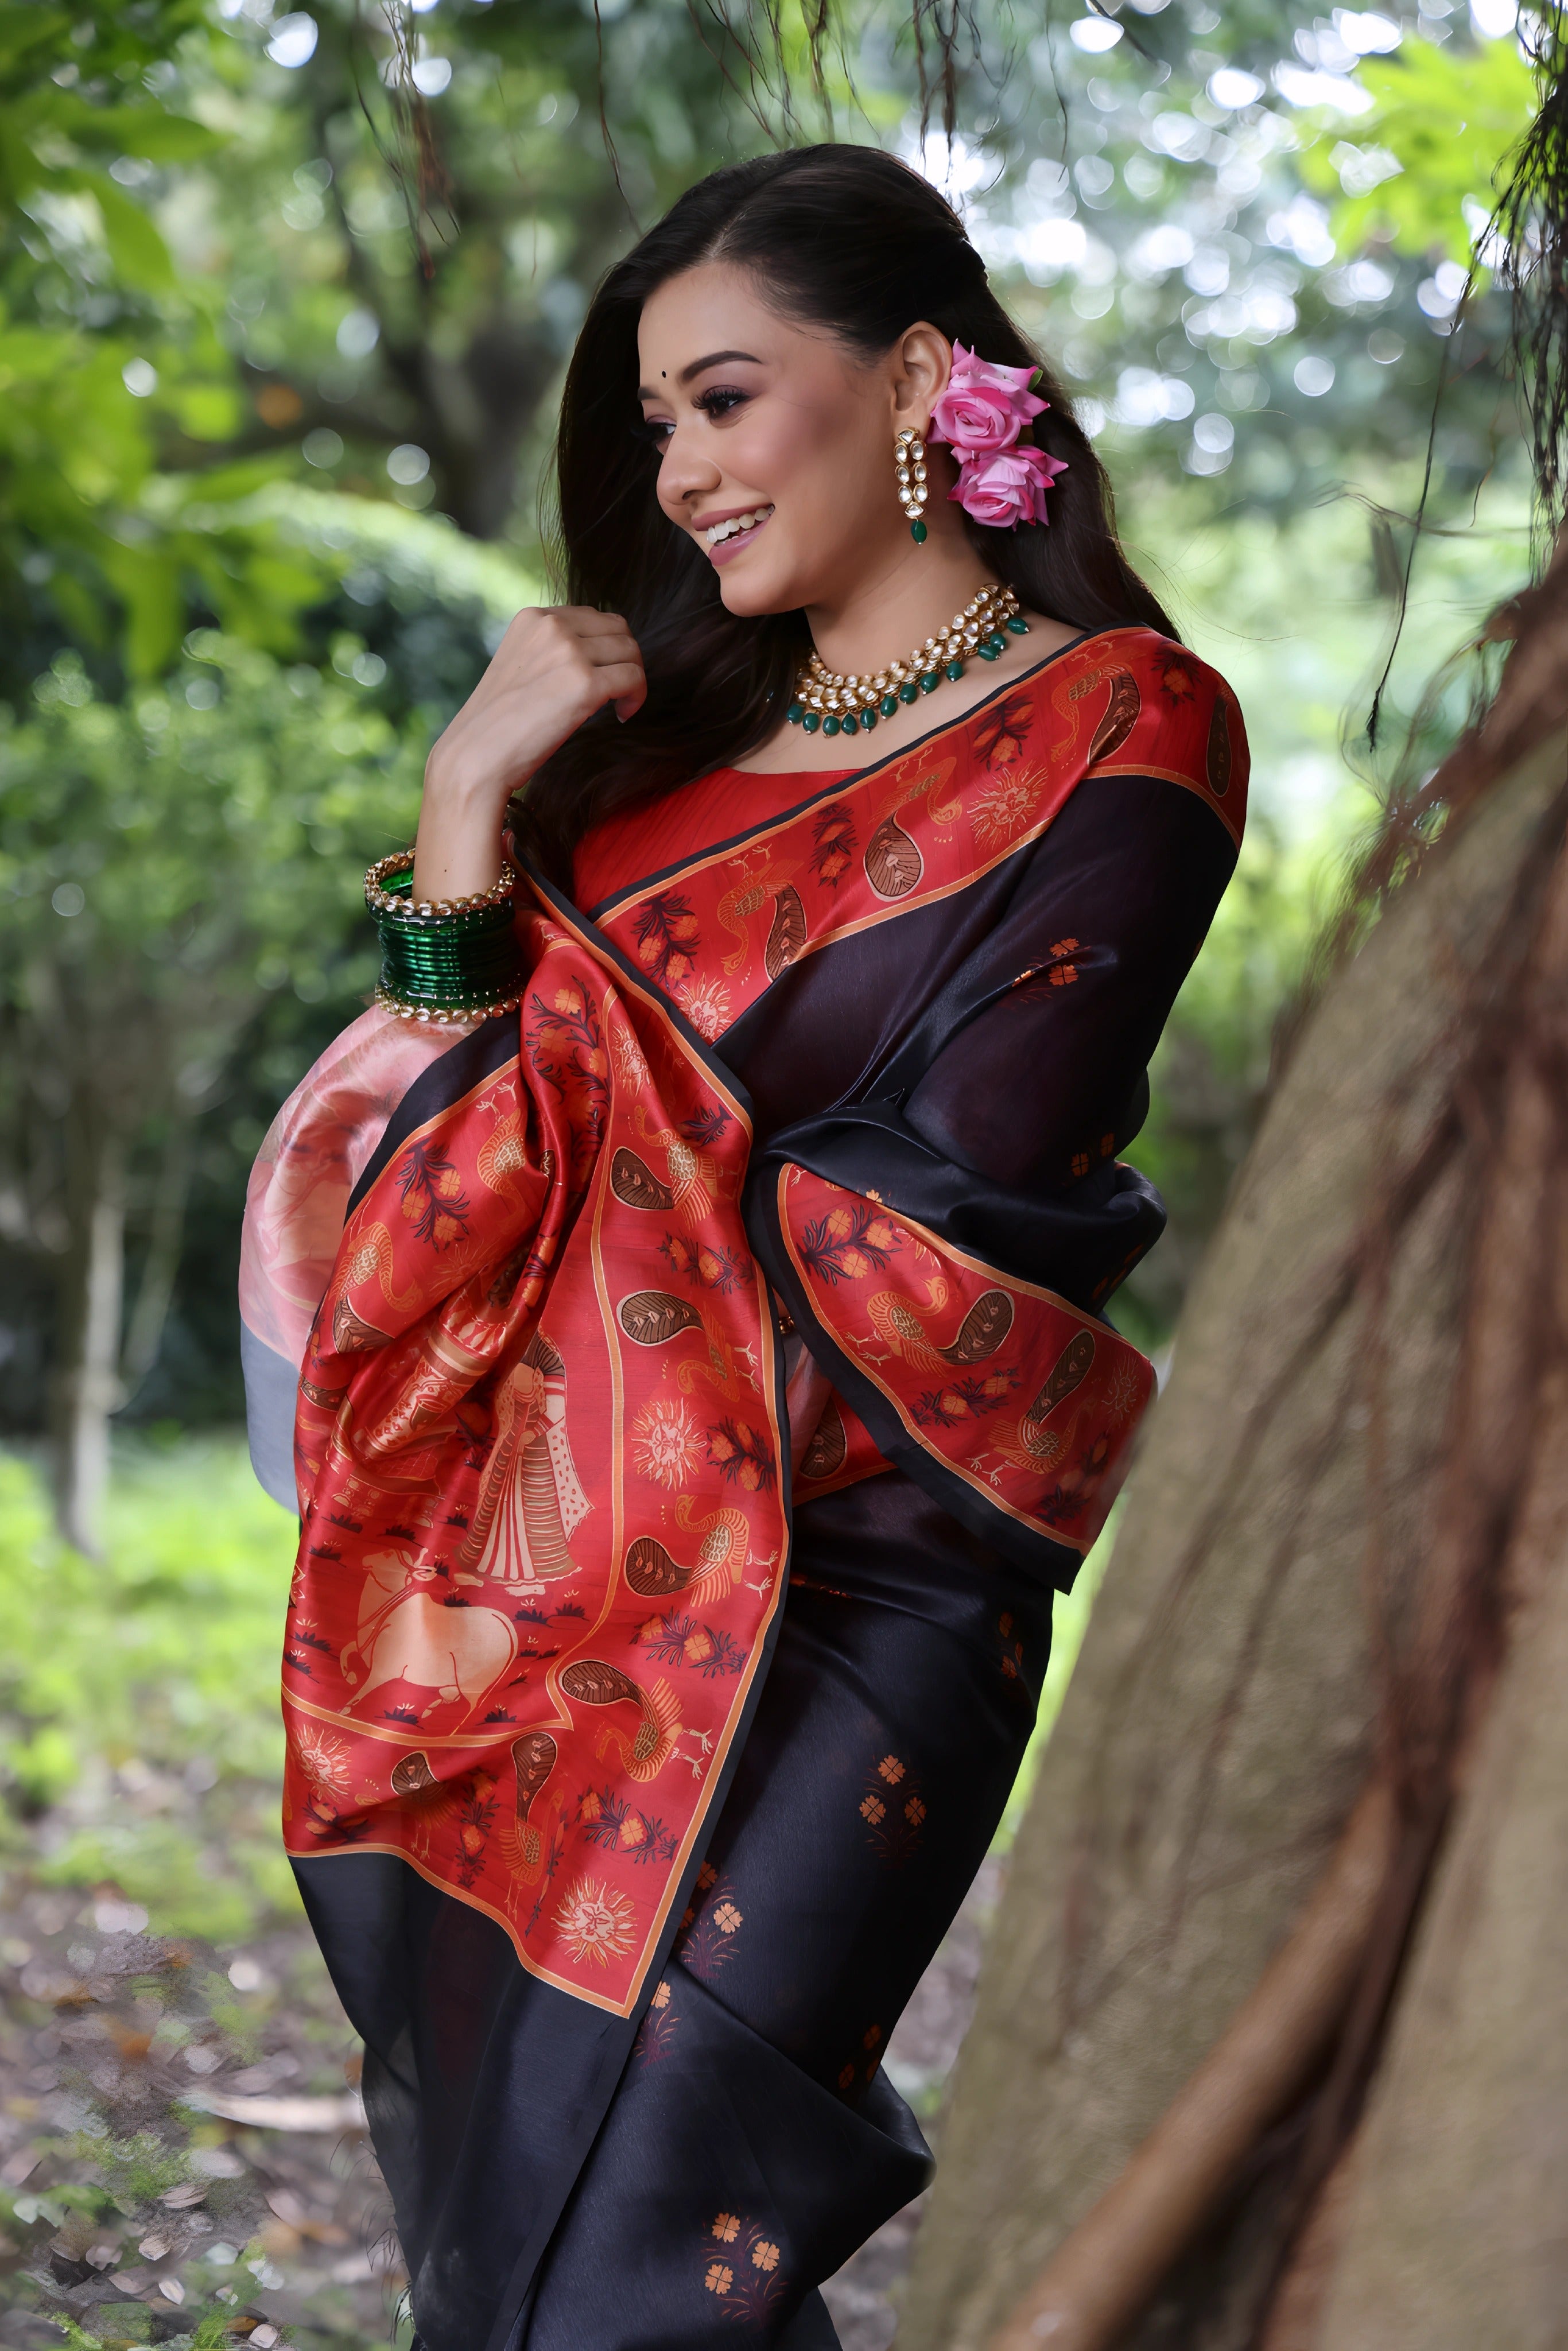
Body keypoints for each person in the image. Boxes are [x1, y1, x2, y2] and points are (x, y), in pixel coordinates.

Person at [240, 141, 1247, 2351]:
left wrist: (580, 1207)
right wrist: (463, 810)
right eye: (652, 423)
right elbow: (414, 1164)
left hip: (867, 1580)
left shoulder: (1116, 726)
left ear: (910, 376)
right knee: (529, 2253)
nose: (677, 468)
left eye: (720, 397)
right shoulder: (641, 771)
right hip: (540, 1585)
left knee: (653, 2246)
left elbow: (952, 1212)